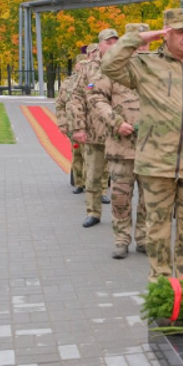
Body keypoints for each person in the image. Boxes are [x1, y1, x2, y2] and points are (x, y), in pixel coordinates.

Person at [101, 8, 183, 281]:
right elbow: (108, 65)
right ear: (166, 34)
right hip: (156, 163)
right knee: (157, 228)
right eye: (180, 31)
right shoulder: (146, 65)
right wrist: (135, 37)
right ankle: (160, 282)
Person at [89, 23, 150, 259]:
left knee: (149, 199)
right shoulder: (113, 68)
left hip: (151, 148)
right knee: (121, 196)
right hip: (121, 147)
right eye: (136, 42)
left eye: (144, 42)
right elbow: (95, 97)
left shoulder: (157, 68)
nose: (141, 47)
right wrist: (115, 121)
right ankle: (121, 239)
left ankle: (144, 238)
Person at [71, 30, 118, 227]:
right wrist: (78, 127)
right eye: (109, 42)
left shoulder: (124, 63)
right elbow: (76, 98)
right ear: (100, 45)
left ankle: (121, 215)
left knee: (123, 176)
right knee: (93, 174)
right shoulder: (88, 68)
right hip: (94, 130)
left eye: (116, 41)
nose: (113, 45)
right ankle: (93, 211)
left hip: (119, 131)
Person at [56, 52, 88, 194]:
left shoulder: (93, 80)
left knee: (93, 157)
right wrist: (63, 123)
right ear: (76, 65)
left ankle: (95, 185)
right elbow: (60, 103)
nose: (83, 67)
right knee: (77, 154)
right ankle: (79, 182)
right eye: (81, 64)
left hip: (92, 125)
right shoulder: (69, 82)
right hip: (74, 124)